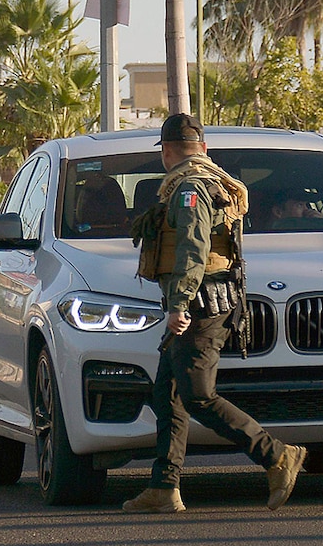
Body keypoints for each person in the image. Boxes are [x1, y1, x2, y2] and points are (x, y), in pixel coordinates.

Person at [124, 113, 307, 513]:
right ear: (203, 148)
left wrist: (178, 305)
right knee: (167, 394)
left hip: (199, 306)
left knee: (198, 396)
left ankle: (277, 455)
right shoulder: (213, 180)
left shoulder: (189, 188)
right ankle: (164, 487)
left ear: (166, 152)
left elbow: (193, 249)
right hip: (210, 300)